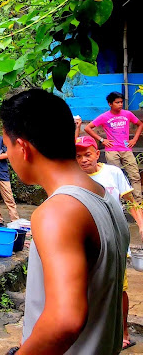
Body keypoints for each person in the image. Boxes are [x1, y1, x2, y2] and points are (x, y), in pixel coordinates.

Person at [0, 89, 129, 355]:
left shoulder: (58, 212)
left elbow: (64, 321)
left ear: (22, 148)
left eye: (6, 146)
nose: (8, 155)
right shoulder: (105, 197)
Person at [75, 135, 142, 350]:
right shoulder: (74, 178)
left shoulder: (113, 173)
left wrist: (141, 224)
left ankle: (123, 332)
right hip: (88, 239)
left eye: (87, 154)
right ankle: (92, 330)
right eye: (78, 156)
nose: (84, 160)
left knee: (118, 288)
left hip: (115, 238)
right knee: (88, 286)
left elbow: (131, 202)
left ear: (97, 154)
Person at [84, 91, 143, 203]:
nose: (120, 104)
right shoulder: (104, 116)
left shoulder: (127, 114)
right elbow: (88, 128)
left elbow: (140, 124)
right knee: (116, 177)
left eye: (121, 102)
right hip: (111, 150)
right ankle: (120, 203)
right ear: (110, 104)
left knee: (134, 175)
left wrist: (134, 139)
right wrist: (102, 140)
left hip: (126, 149)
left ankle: (139, 202)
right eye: (117, 102)